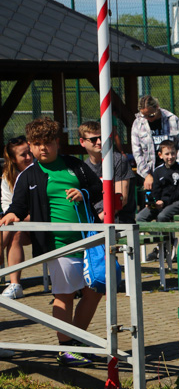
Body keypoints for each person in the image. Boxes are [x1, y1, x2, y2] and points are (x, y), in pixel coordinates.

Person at [1, 117, 103, 366]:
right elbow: (18, 204)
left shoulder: (74, 165)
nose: (42, 148)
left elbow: (98, 187)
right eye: (36, 144)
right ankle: (66, 347)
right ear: (31, 146)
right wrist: (12, 214)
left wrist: (84, 193)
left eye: (47, 143)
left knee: (96, 289)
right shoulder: (28, 175)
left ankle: (77, 339)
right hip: (56, 245)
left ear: (57, 143)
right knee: (65, 294)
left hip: (88, 240)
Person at [77, 121, 136, 223]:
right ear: (82, 142)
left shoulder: (118, 160)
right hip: (95, 220)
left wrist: (97, 221)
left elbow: (121, 200)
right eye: (93, 139)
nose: (99, 142)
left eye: (101, 137)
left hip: (119, 221)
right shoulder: (84, 167)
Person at [131, 95, 179, 196]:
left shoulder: (173, 120)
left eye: (151, 115)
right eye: (144, 116)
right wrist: (147, 175)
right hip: (150, 173)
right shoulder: (138, 123)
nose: (148, 118)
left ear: (157, 107)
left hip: (171, 172)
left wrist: (176, 170)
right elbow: (137, 152)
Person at [1, 136, 33, 300]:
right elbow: (7, 206)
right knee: (13, 230)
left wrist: (20, 218)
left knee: (12, 227)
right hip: (19, 223)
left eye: (29, 152)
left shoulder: (39, 171)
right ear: (13, 159)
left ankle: (14, 284)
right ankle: (15, 284)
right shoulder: (8, 177)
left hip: (40, 223)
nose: (28, 157)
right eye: (23, 155)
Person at [136, 140, 179, 224]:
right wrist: (152, 203)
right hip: (161, 203)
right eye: (167, 154)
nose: (170, 157)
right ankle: (157, 236)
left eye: (173, 153)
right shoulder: (157, 171)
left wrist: (164, 202)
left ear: (177, 153)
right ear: (160, 155)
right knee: (140, 217)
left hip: (178, 202)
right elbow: (156, 190)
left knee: (162, 216)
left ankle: (167, 237)